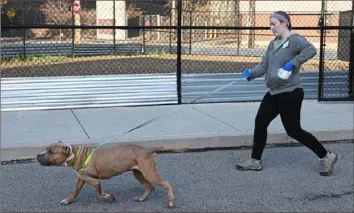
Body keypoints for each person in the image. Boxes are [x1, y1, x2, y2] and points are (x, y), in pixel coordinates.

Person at [236, 11, 338, 176]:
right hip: (274, 92)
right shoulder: (273, 44)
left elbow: (311, 50)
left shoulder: (295, 40)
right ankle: (255, 161)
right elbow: (264, 66)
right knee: (260, 122)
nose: (271, 28)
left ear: (285, 23)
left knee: (294, 130)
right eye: (270, 24)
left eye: (274, 24)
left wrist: (293, 63)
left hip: (291, 92)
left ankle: (326, 156)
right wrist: (251, 74)